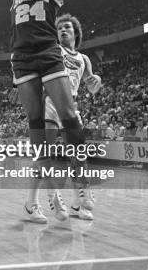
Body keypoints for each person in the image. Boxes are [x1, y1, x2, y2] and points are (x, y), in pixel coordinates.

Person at [0, 0, 87, 222]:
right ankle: (35, 202)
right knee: (35, 121)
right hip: (21, 57)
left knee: (69, 116)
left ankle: (81, 185)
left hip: (47, 51)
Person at [26, 14, 102, 223]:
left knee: (79, 154)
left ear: (75, 32)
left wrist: (96, 81)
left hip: (71, 105)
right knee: (44, 155)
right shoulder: (54, 50)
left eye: (67, 27)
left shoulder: (84, 59)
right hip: (50, 102)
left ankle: (78, 203)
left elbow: (91, 84)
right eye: (59, 28)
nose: (62, 30)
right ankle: (38, 200)